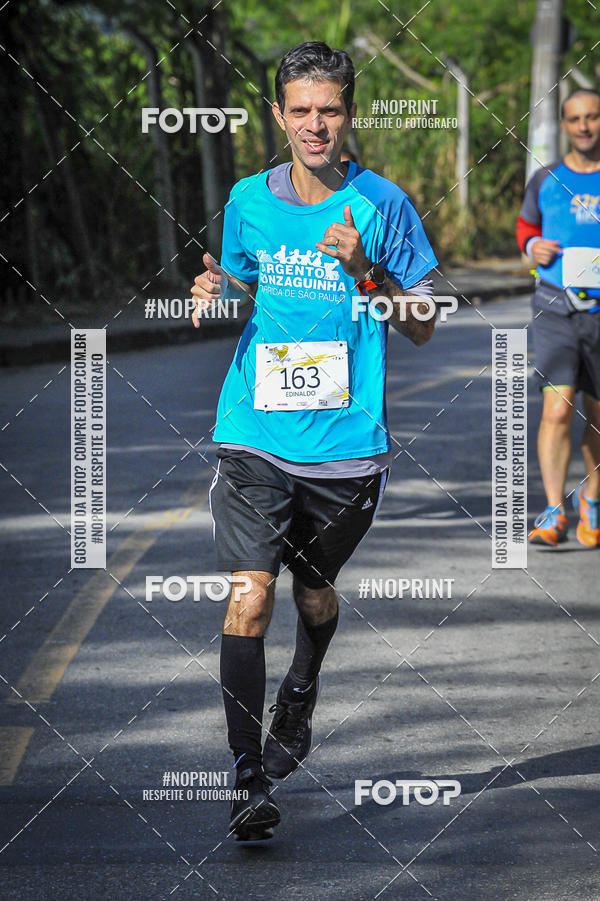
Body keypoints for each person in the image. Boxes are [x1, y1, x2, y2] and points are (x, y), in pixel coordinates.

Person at [190, 41, 437, 840]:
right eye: (299, 110)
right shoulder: (246, 201)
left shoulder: (383, 203)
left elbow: (427, 327)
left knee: (313, 589)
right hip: (254, 433)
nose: (315, 124)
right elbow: (242, 284)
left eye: (329, 108)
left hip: (346, 446)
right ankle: (247, 778)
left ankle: (301, 686)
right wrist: (211, 287)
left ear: (350, 112)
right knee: (251, 590)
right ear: (278, 115)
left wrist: (371, 271)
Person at [517, 88, 600, 548]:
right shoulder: (547, 178)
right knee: (556, 408)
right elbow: (526, 225)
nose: (584, 126)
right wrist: (533, 247)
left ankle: (592, 497)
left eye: (592, 117)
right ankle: (553, 510)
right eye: (575, 119)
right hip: (555, 306)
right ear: (565, 125)